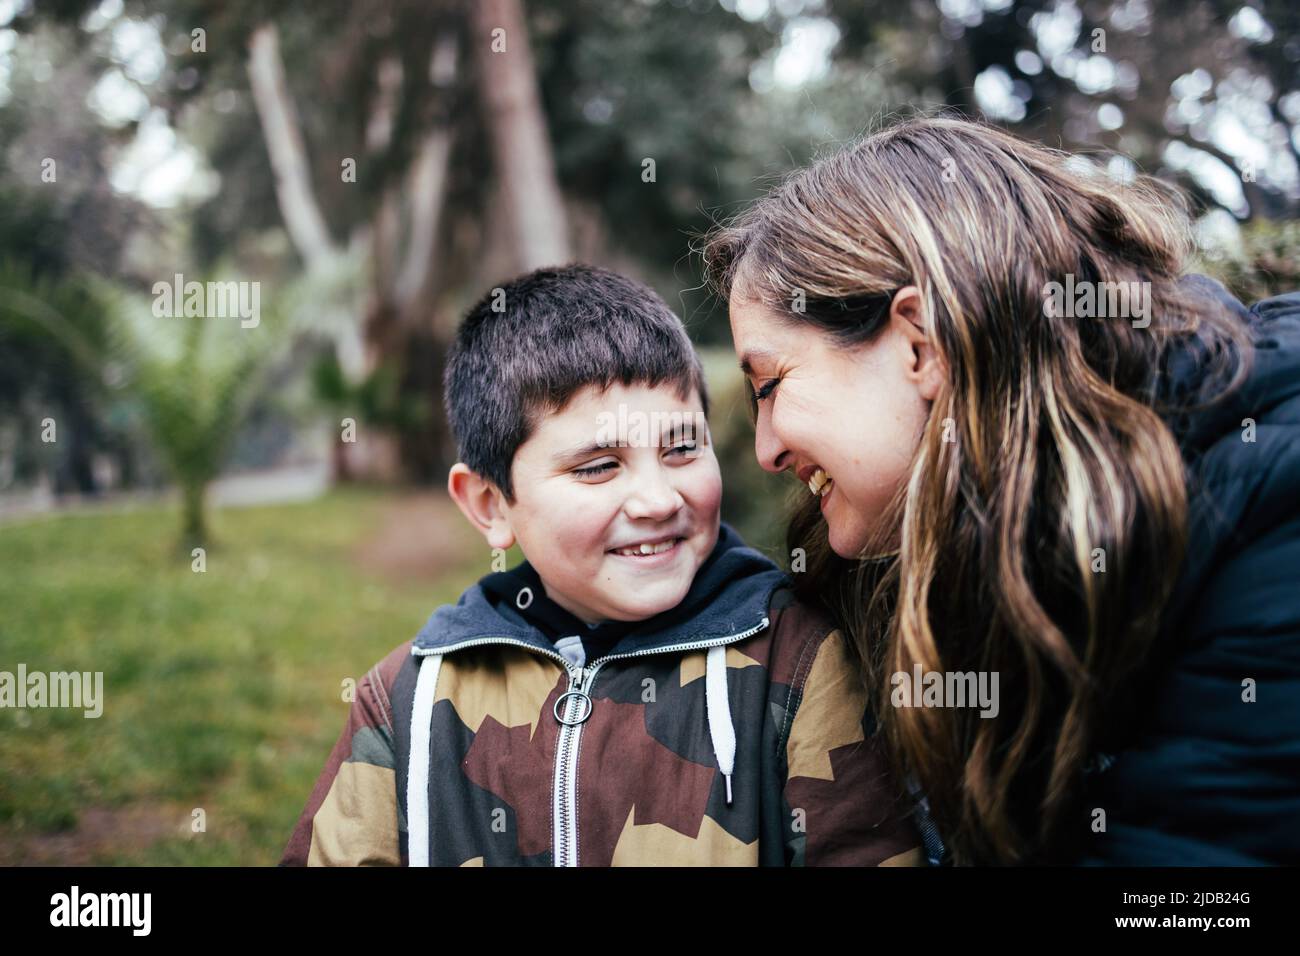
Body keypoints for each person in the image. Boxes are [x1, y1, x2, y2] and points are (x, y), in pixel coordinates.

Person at [704, 115, 1300, 865]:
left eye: (770, 384)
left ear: (920, 346)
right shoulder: (924, 551)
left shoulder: (1269, 498)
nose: (764, 449)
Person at [279, 264, 923, 866]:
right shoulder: (406, 700)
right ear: (489, 504)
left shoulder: (799, 663)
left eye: (682, 449)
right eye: (598, 467)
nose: (657, 499)